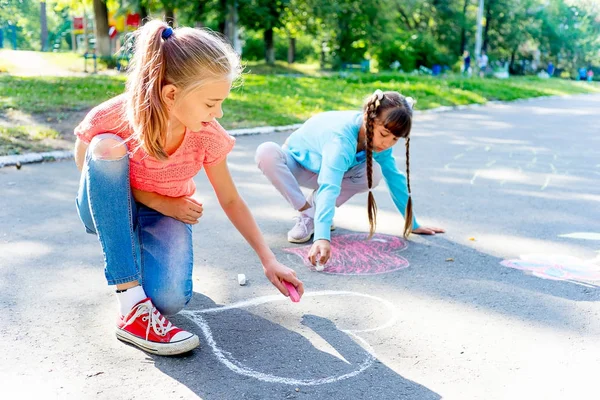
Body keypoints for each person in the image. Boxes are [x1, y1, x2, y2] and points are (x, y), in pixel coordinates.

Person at [73, 20, 304, 356]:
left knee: (169, 300)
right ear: (171, 94)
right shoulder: (113, 116)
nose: (218, 113)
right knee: (106, 148)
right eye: (211, 104)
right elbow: (88, 167)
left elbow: (230, 199)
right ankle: (131, 305)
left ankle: (136, 264)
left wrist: (269, 260)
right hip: (104, 208)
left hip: (160, 214)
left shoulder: (206, 134)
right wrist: (154, 199)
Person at [255, 90, 444, 267]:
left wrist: (412, 222)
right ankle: (308, 212)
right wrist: (322, 237)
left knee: (374, 173)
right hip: (299, 166)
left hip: (331, 172)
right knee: (266, 152)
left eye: (395, 139)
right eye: (384, 134)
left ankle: (317, 212)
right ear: (367, 119)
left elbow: (395, 178)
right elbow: (329, 186)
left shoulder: (380, 145)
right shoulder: (341, 140)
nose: (387, 143)